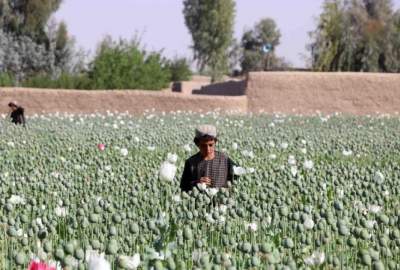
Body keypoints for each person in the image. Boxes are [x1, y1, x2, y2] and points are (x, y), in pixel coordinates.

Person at [180, 124, 236, 192]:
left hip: (221, 201)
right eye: (203, 145)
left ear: (215, 142)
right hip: (200, 201)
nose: (207, 149)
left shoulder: (225, 160)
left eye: (211, 145)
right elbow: (183, 186)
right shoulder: (190, 162)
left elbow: (238, 178)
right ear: (197, 144)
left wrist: (229, 189)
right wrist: (196, 183)